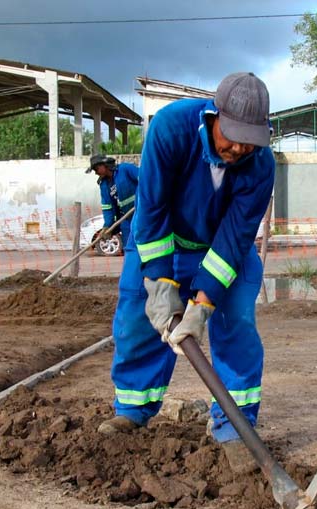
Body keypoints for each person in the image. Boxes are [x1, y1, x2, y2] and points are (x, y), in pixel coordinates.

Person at [99, 72, 275, 474]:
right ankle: (133, 410)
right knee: (135, 319)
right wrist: (161, 284)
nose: (239, 147)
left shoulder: (261, 164)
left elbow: (234, 238)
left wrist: (203, 303)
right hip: (165, 239)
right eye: (232, 136)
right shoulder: (171, 128)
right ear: (214, 116)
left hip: (222, 249)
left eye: (250, 139)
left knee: (238, 324)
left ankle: (234, 428)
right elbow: (152, 209)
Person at [86, 154, 139, 245]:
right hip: (125, 218)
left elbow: (146, 180)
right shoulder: (104, 185)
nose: (96, 173)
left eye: (96, 169)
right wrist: (107, 226)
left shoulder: (125, 169)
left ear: (103, 165)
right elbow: (107, 208)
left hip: (141, 212)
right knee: (129, 246)